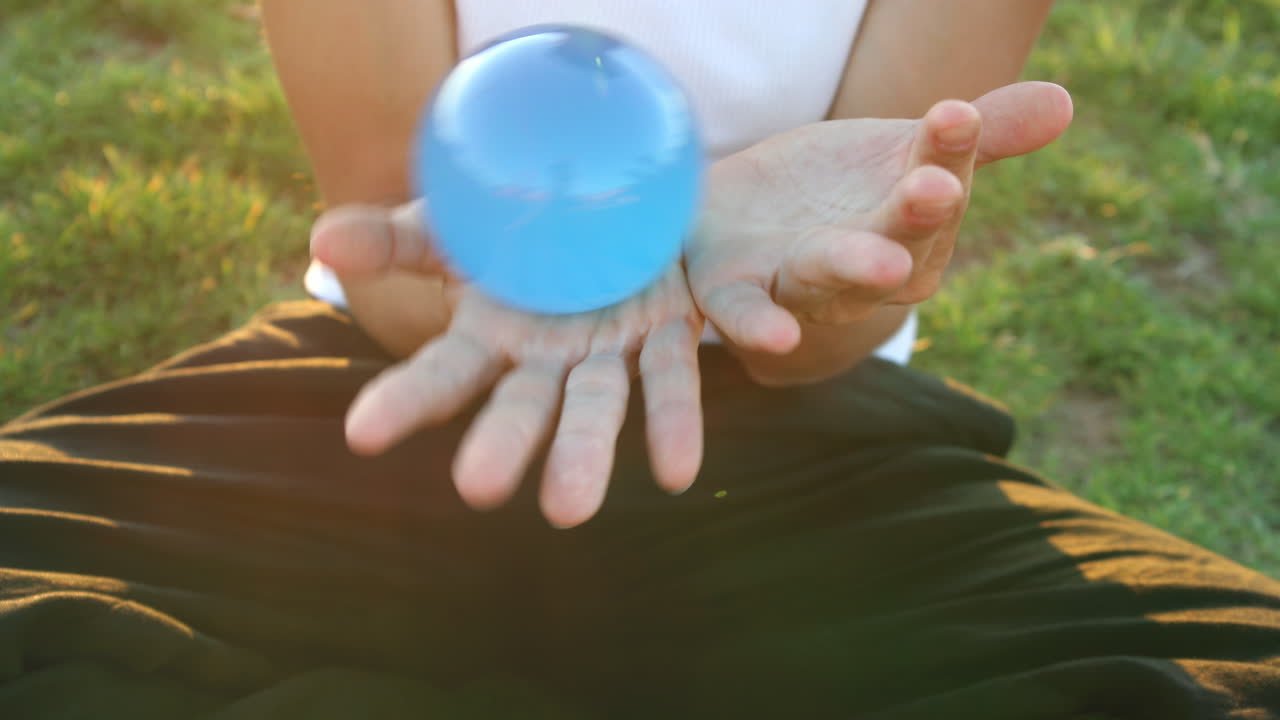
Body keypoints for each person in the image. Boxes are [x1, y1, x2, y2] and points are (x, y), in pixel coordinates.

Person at [1, 1, 1277, 717]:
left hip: (799, 442)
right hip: (391, 385)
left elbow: (807, 351)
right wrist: (561, 264)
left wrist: (807, 267)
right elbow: (397, 270)